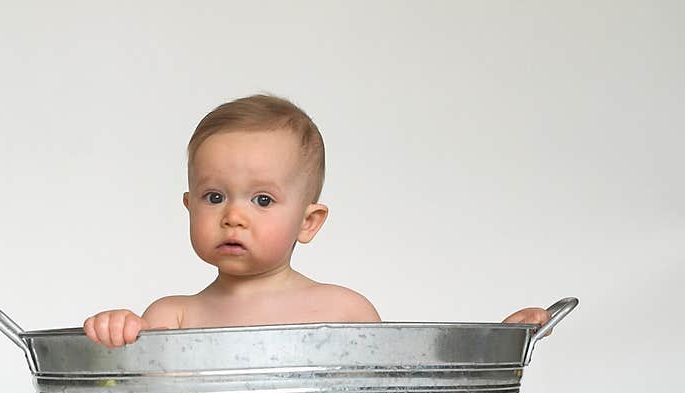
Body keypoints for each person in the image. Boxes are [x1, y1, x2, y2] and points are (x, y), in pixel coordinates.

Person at [84, 93, 550, 347]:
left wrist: (500, 343)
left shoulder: (342, 311)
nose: (233, 216)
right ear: (189, 208)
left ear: (309, 223)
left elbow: (401, 391)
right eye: (214, 196)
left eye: (263, 200)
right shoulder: (172, 317)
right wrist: (120, 331)